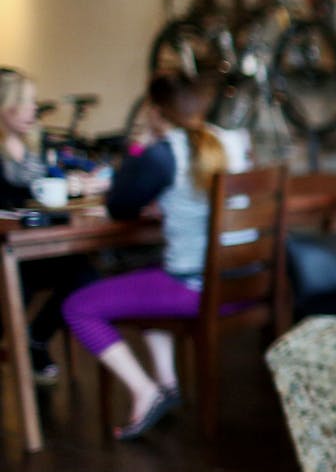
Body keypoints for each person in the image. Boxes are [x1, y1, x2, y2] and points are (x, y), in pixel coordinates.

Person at [62, 72, 247, 440]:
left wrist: (140, 149)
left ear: (155, 110)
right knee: (149, 272)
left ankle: (144, 391)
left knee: (78, 307)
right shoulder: (232, 142)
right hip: (245, 283)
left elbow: (119, 207)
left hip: (200, 289)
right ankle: (167, 384)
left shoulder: (163, 155)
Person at [0, 67, 102, 384]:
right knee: (18, 280)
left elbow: (46, 186)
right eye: (25, 101)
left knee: (84, 274)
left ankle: (36, 339)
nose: (34, 108)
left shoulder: (33, 149)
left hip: (36, 247)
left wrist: (76, 184)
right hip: (8, 251)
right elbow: (16, 195)